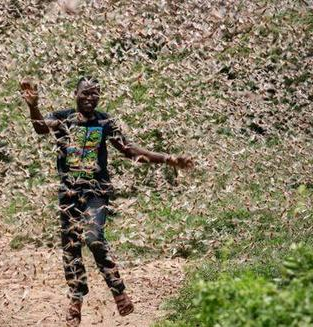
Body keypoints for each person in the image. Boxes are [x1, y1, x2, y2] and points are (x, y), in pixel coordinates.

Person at [20, 76, 194, 326]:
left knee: (93, 238)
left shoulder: (105, 121)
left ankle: (118, 291)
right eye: (85, 93)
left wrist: (168, 159)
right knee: (71, 248)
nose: (90, 98)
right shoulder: (63, 117)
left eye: (95, 94)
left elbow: (130, 150)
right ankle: (75, 301)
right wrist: (33, 106)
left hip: (96, 192)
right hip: (69, 193)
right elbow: (40, 127)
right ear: (75, 94)